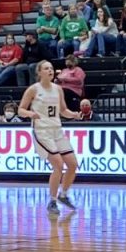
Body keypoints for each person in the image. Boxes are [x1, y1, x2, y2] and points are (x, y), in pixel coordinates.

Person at [18, 60, 83, 214]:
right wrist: (29, 114)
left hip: (57, 130)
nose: (50, 70)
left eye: (51, 68)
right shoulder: (33, 90)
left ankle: (64, 195)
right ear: (39, 72)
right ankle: (52, 201)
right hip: (42, 131)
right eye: (46, 68)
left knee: (73, 164)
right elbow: (20, 110)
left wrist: (74, 115)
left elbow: (63, 111)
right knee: (58, 165)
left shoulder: (58, 89)